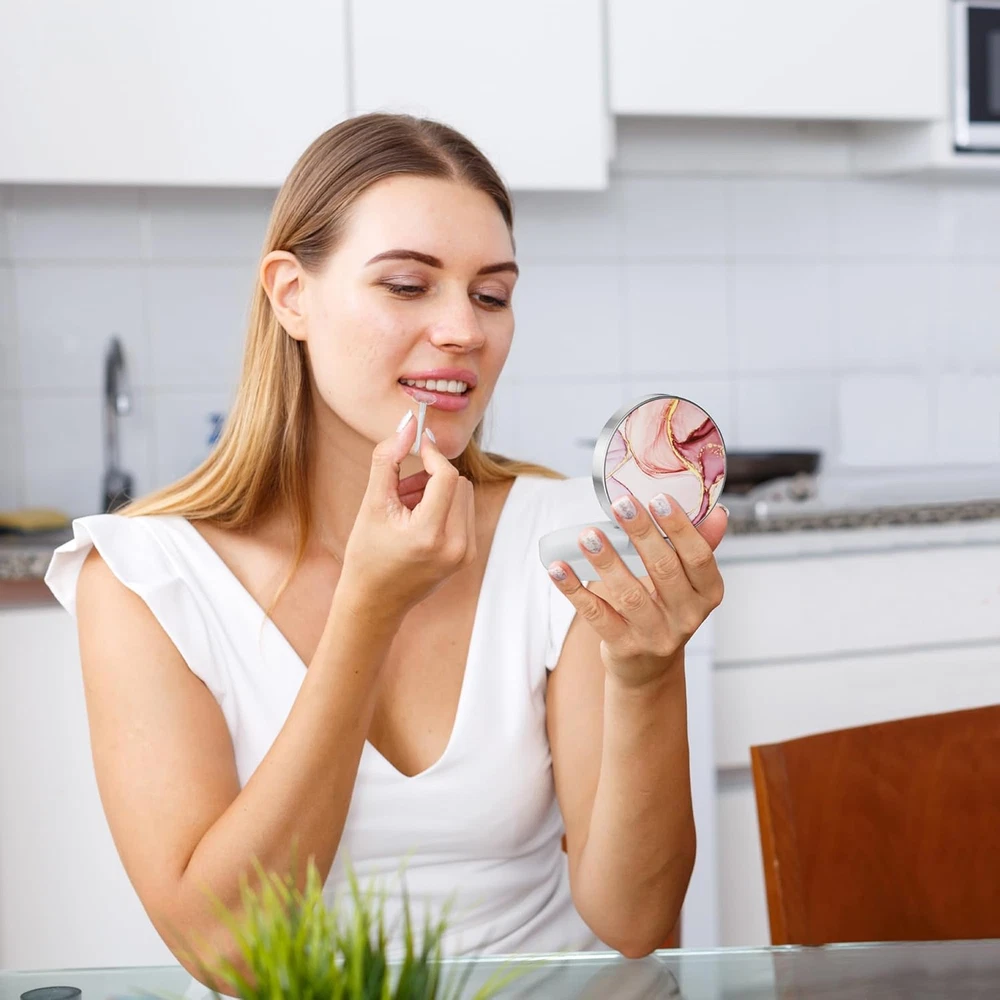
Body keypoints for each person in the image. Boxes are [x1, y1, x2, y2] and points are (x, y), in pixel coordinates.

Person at [45, 114, 728, 991]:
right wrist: (368, 609)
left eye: (491, 295)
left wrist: (646, 676)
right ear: (291, 295)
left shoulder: (561, 536)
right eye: (408, 285)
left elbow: (635, 922)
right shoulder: (144, 577)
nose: (463, 330)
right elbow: (230, 951)